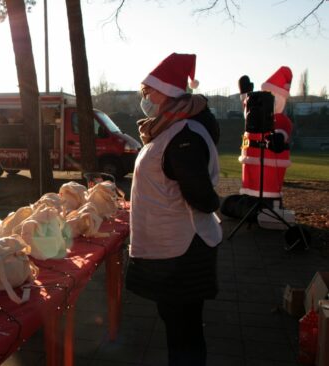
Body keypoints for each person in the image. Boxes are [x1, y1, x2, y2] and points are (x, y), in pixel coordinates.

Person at [125, 53, 222, 366]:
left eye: (148, 92)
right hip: (171, 250)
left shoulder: (184, 135)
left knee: (185, 333)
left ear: (166, 92)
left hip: (182, 251)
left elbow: (200, 195)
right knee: (179, 327)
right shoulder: (170, 128)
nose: (146, 99)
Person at [239, 66, 293, 200]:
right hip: (251, 166)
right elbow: (249, 112)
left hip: (268, 169)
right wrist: (246, 95)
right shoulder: (257, 115)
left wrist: (278, 137)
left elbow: (282, 130)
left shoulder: (280, 120)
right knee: (250, 191)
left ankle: (268, 204)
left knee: (266, 190)